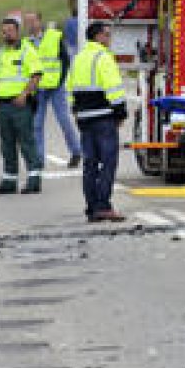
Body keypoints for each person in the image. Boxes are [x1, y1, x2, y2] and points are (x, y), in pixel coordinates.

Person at [67, 21, 127, 222]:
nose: (109, 39)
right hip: (103, 117)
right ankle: (103, 206)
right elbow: (114, 89)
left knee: (90, 164)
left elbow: (70, 89)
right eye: (107, 35)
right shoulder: (103, 57)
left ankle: (92, 207)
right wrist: (120, 113)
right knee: (108, 162)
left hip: (84, 118)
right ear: (99, 37)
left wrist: (76, 110)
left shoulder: (78, 58)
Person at [0, 17, 43, 195]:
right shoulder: (2, 54)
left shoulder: (28, 51)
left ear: (18, 31)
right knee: (7, 145)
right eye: (4, 31)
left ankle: (34, 180)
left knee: (27, 143)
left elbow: (36, 75)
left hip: (20, 105)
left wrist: (25, 94)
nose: (7, 34)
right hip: (3, 105)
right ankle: (9, 182)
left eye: (10, 30)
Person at [24, 12, 82, 168]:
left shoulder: (54, 37)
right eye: (27, 21)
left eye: (32, 21)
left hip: (56, 87)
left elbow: (65, 60)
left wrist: (61, 80)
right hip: (37, 89)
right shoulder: (25, 43)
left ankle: (76, 151)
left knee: (64, 120)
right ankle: (39, 160)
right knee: (36, 124)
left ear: (39, 21)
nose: (29, 24)